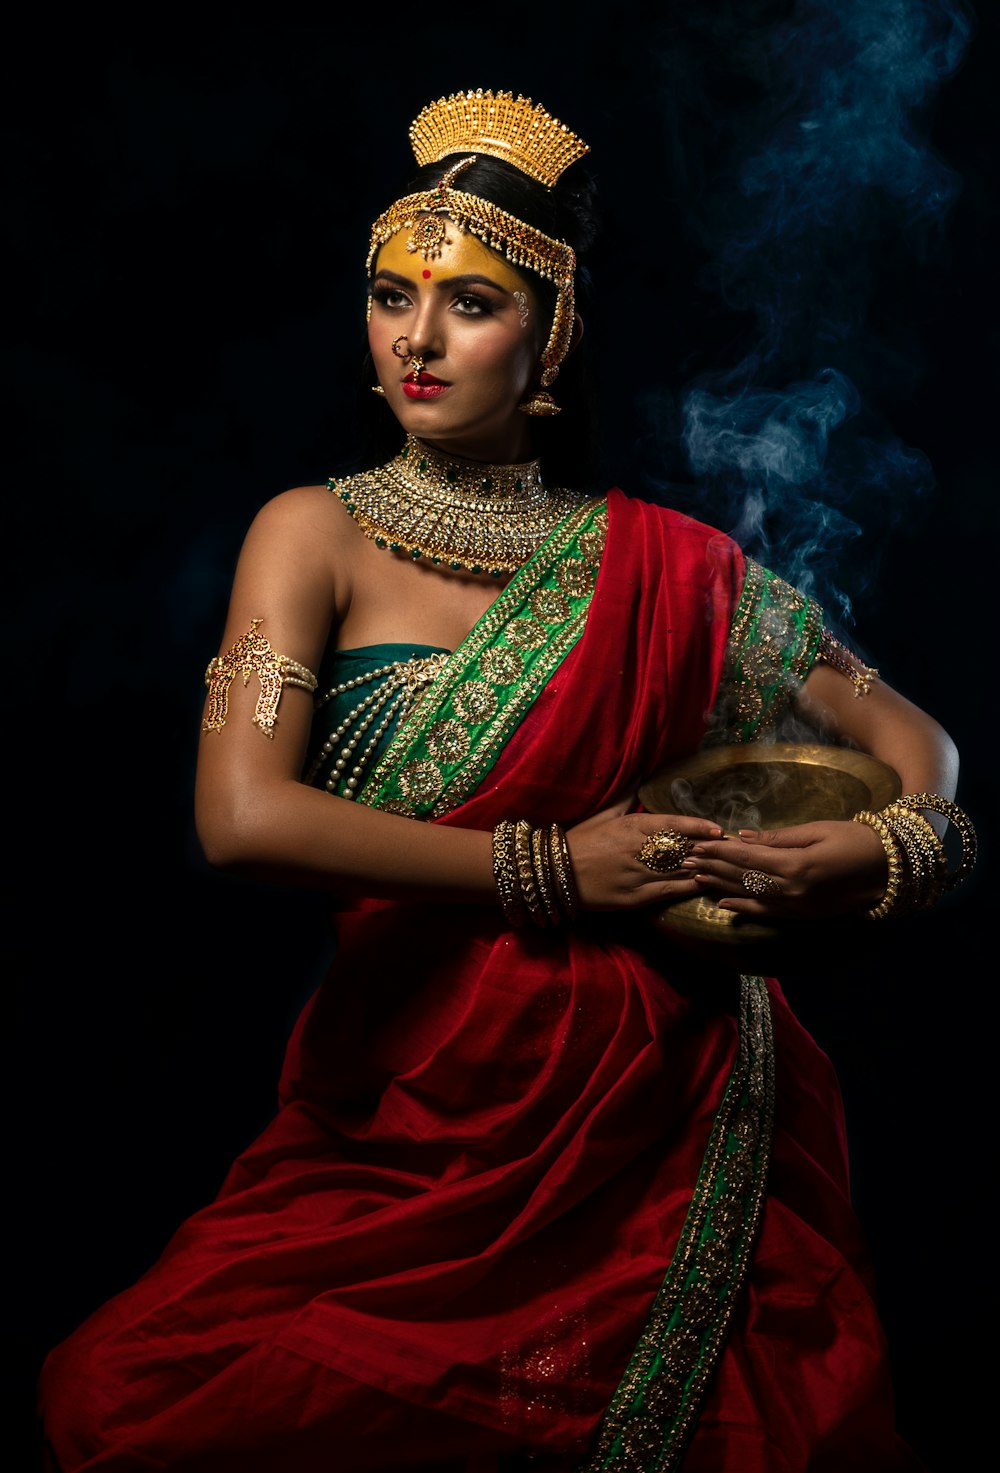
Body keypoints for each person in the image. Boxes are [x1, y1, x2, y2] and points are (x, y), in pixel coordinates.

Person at [38, 88, 974, 1473]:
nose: (418, 339)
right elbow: (239, 819)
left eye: (471, 303)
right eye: (391, 296)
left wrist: (883, 851)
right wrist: (544, 866)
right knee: (130, 1400)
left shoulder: (668, 562)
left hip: (652, 1100)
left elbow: (924, 749)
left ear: (551, 334)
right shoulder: (315, 535)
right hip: (402, 1100)